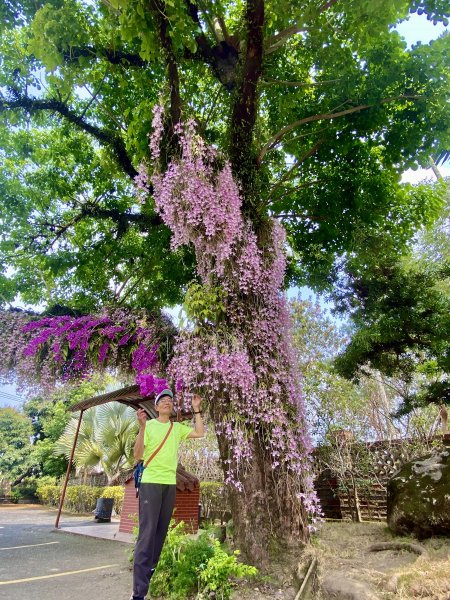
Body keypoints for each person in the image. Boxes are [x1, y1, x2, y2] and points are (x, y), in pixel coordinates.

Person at [130, 388, 204, 600]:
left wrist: (196, 410)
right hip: (151, 483)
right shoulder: (150, 426)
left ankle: (148, 574)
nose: (167, 402)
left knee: (160, 533)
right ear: (156, 406)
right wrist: (142, 428)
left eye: (170, 400)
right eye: (162, 400)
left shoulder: (176, 428)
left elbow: (200, 433)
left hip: (169, 484)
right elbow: (137, 455)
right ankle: (138, 593)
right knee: (147, 534)